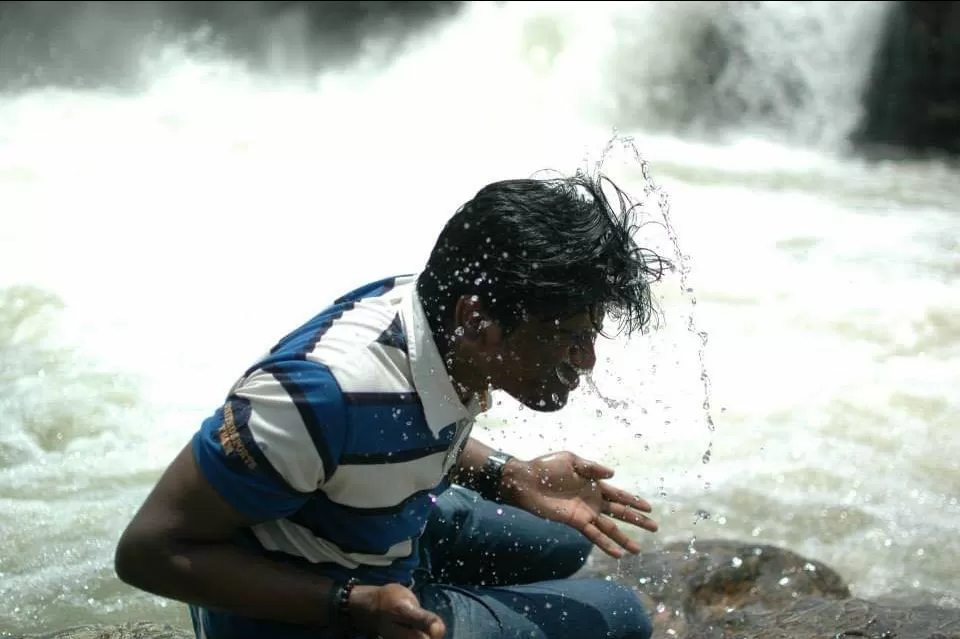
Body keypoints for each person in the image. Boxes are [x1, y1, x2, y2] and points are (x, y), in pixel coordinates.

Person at [114, 170, 670, 639]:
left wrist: (509, 476)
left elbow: (397, 427)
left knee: (566, 537)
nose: (587, 359)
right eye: (570, 336)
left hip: (374, 533)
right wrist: (351, 603)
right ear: (479, 322)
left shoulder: (434, 313)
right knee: (619, 616)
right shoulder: (313, 397)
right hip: (297, 614)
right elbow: (148, 551)